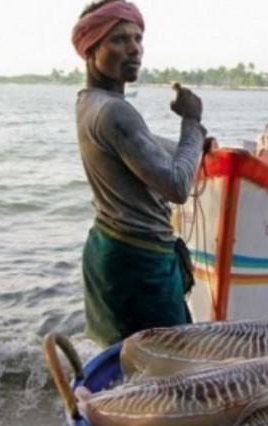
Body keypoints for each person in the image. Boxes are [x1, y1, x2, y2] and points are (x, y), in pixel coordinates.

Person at [72, 0, 206, 347]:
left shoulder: (89, 101)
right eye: (118, 40)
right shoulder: (116, 111)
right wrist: (192, 122)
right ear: (91, 49)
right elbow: (177, 186)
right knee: (168, 368)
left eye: (138, 38)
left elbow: (143, 144)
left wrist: (192, 144)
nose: (134, 49)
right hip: (139, 262)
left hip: (110, 246)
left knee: (127, 364)